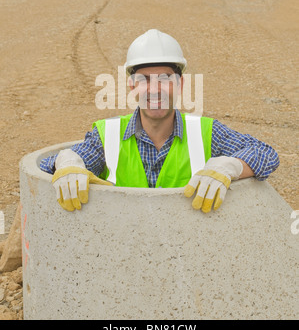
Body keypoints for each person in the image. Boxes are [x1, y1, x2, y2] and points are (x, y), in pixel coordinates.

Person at [40, 29, 279, 213]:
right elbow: (51, 166)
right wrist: (67, 162)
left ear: (180, 84)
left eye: (165, 79)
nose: (154, 90)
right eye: (144, 80)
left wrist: (230, 166)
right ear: (132, 86)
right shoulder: (107, 134)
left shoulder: (205, 131)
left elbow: (265, 154)